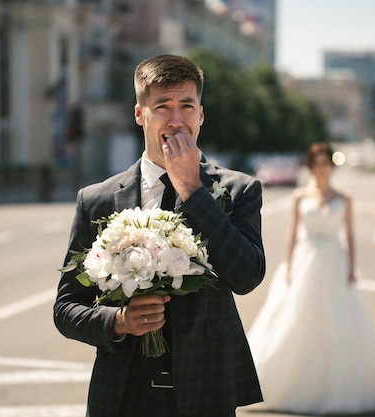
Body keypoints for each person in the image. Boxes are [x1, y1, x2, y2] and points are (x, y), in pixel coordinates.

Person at [53, 54, 265, 417]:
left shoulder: (238, 189)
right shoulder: (97, 199)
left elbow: (246, 277)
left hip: (206, 390)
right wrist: (118, 321)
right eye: (163, 106)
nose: (176, 119)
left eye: (187, 105)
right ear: (140, 114)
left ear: (201, 114)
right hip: (122, 392)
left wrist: (194, 191)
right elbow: (66, 308)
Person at [247, 142, 375, 415]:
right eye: (316, 163)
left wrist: (352, 268)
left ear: (331, 165)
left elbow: (350, 235)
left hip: (334, 261)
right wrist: (289, 266)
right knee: (299, 318)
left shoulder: (345, 197)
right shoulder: (299, 196)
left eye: (325, 162)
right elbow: (292, 234)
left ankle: (335, 387)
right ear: (311, 166)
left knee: (339, 321)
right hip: (306, 260)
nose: (321, 168)